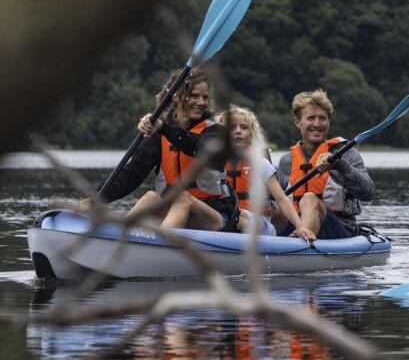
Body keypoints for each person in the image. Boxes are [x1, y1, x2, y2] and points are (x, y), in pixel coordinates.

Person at [91, 68, 236, 231]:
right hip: (173, 215)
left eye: (205, 97)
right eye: (194, 96)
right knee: (151, 197)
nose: (201, 102)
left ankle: (160, 244)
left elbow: (197, 147)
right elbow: (130, 176)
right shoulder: (158, 137)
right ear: (175, 96)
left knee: (182, 198)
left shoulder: (217, 133)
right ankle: (118, 239)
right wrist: (95, 198)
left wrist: (163, 128)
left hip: (214, 218)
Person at [277, 89, 375, 239]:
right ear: (297, 122)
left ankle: (298, 245)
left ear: (328, 122)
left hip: (337, 228)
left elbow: (368, 193)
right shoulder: (286, 161)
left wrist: (339, 165)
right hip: (295, 225)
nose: (317, 124)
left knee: (310, 198)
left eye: (322, 118)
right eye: (310, 118)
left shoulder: (346, 153)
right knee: (273, 210)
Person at [215, 106, 315, 241]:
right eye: (232, 127)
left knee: (232, 215)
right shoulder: (214, 164)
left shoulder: (260, 163)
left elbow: (282, 199)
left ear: (251, 134)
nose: (238, 131)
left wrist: (300, 226)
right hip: (229, 219)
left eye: (244, 128)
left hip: (261, 225)